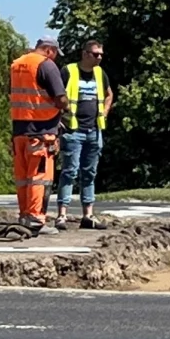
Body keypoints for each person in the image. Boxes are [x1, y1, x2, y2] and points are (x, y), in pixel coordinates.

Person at [9, 35, 68, 235]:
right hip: (41, 133)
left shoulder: (17, 65)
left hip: (19, 131)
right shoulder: (47, 66)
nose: (55, 59)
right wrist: (66, 108)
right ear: (49, 50)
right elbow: (60, 98)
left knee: (23, 178)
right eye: (55, 55)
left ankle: (25, 215)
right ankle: (35, 220)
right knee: (39, 177)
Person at [56, 39, 113, 230]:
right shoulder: (69, 71)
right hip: (73, 130)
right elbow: (56, 96)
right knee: (69, 172)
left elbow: (109, 94)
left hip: (94, 131)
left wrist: (105, 111)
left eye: (101, 55)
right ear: (85, 54)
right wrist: (58, 122)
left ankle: (88, 215)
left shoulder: (100, 73)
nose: (99, 58)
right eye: (96, 54)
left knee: (89, 173)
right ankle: (61, 215)